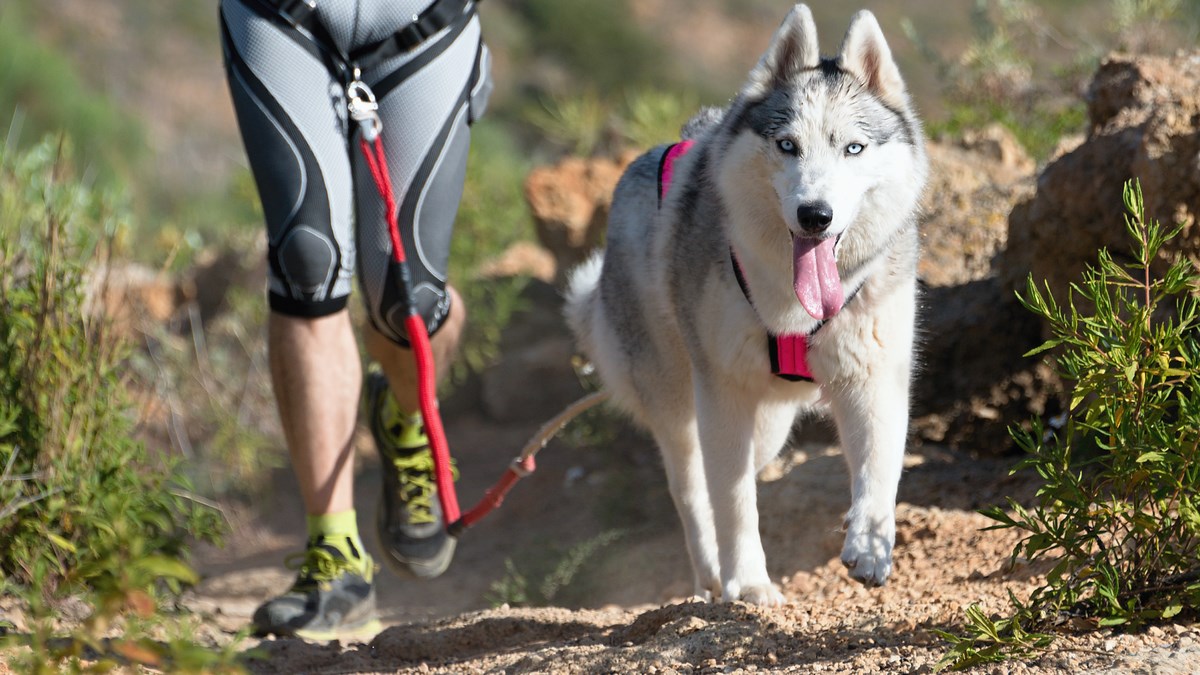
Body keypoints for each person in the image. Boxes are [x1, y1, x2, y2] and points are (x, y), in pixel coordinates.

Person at [219, 0, 492, 639]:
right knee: (306, 262)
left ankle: (405, 418)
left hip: (425, 20)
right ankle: (335, 557)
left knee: (411, 301)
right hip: (279, 17)